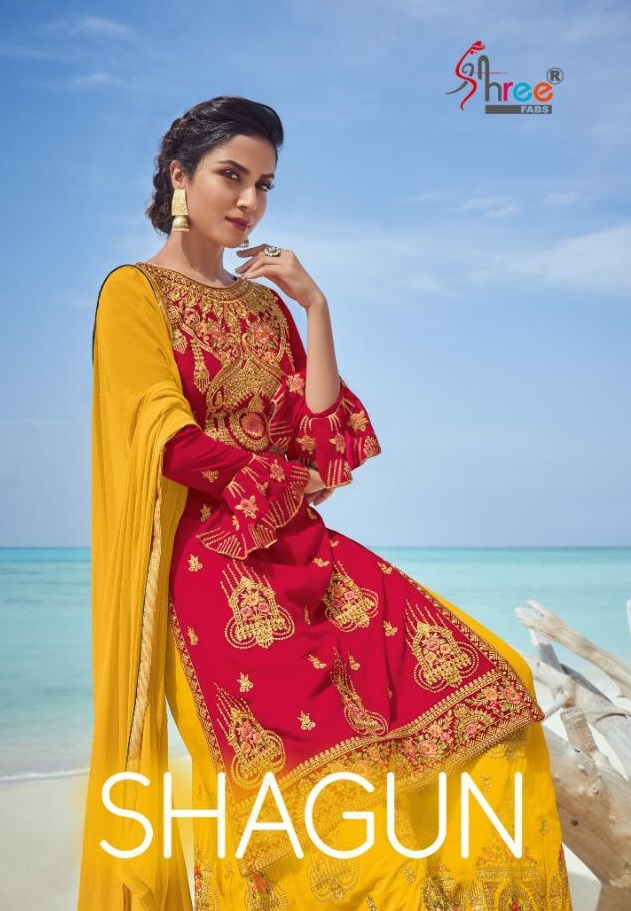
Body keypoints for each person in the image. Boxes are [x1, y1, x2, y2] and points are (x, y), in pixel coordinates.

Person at [78, 95, 573, 910]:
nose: (249, 201)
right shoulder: (133, 293)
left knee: (497, 690)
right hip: (215, 574)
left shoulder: (266, 304)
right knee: (317, 792)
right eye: (231, 176)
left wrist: (314, 306)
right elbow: (163, 437)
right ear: (178, 176)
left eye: (264, 185)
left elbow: (318, 440)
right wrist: (275, 480)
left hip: (306, 548)